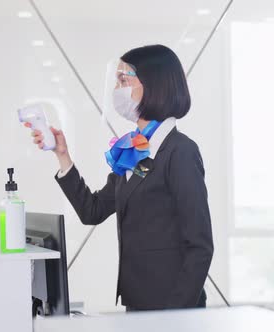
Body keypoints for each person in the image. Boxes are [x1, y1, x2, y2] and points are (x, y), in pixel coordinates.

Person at [27, 45, 213, 311]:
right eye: (117, 81)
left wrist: (174, 316)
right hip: (138, 303)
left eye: (124, 80)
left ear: (153, 84)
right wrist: (62, 155)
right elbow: (92, 210)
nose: (118, 89)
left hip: (172, 308)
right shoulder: (133, 151)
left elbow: (200, 245)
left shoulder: (180, 151)